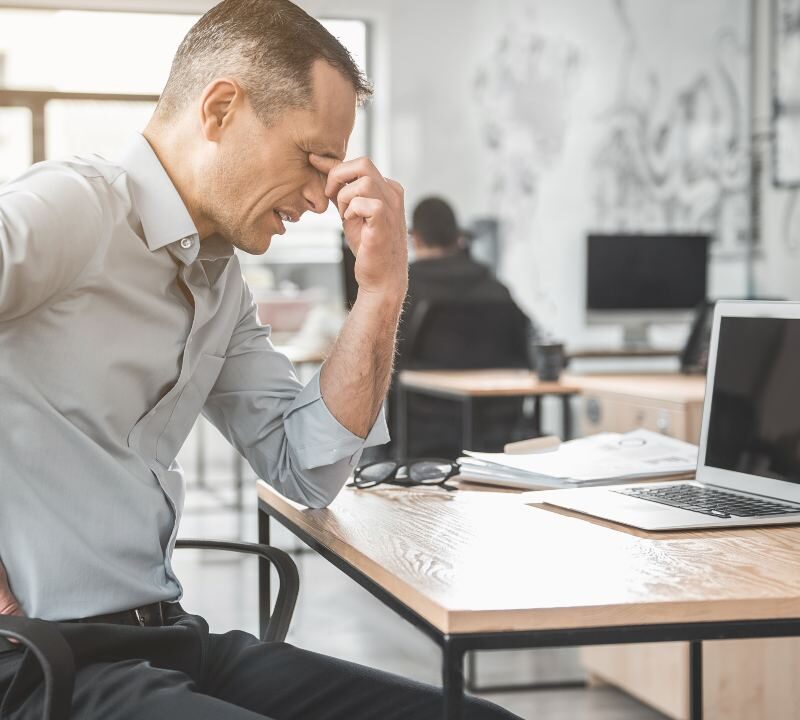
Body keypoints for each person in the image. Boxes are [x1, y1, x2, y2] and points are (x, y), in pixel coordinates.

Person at [0, 2, 519, 718]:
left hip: (165, 636)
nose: (320, 197)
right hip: (40, 657)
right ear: (220, 109)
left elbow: (306, 466)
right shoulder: (72, 208)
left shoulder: (219, 282)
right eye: (311, 158)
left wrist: (381, 292)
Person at [395, 197, 532, 457]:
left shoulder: (405, 289)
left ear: (415, 239)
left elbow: (384, 361)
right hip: (496, 432)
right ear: (457, 238)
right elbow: (530, 347)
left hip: (424, 434)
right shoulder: (497, 289)